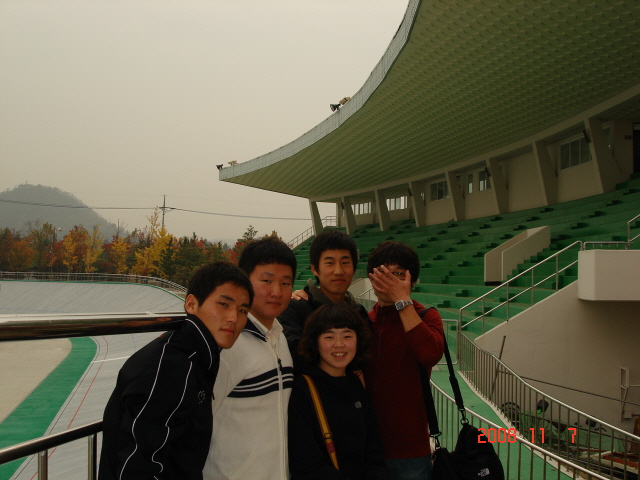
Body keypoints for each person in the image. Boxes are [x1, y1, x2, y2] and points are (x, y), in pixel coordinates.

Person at [98, 262, 253, 480]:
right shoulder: (171, 367)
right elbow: (138, 467)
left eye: (242, 310)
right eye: (223, 304)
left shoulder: (196, 355)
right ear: (191, 304)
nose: (233, 318)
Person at [203, 237, 296, 480]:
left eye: (286, 283)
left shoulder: (279, 337)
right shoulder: (228, 345)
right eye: (266, 281)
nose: (277, 292)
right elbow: (194, 423)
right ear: (245, 281)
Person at [363, 241, 444, 480]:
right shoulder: (364, 322)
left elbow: (430, 355)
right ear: (371, 278)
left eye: (398, 274)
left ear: (412, 281)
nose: (389, 281)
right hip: (366, 446)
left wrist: (402, 301)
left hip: (410, 451)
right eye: (382, 273)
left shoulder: (426, 317)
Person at [288, 303, 390, 480]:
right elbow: (306, 463)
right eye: (329, 337)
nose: (339, 345)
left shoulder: (356, 386)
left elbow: (374, 453)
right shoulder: (301, 390)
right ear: (314, 341)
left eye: (347, 336)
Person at [279, 229, 369, 366]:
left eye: (345, 262)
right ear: (315, 269)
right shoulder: (295, 309)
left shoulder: (359, 312)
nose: (338, 271)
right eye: (330, 263)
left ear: (354, 269)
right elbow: (294, 356)